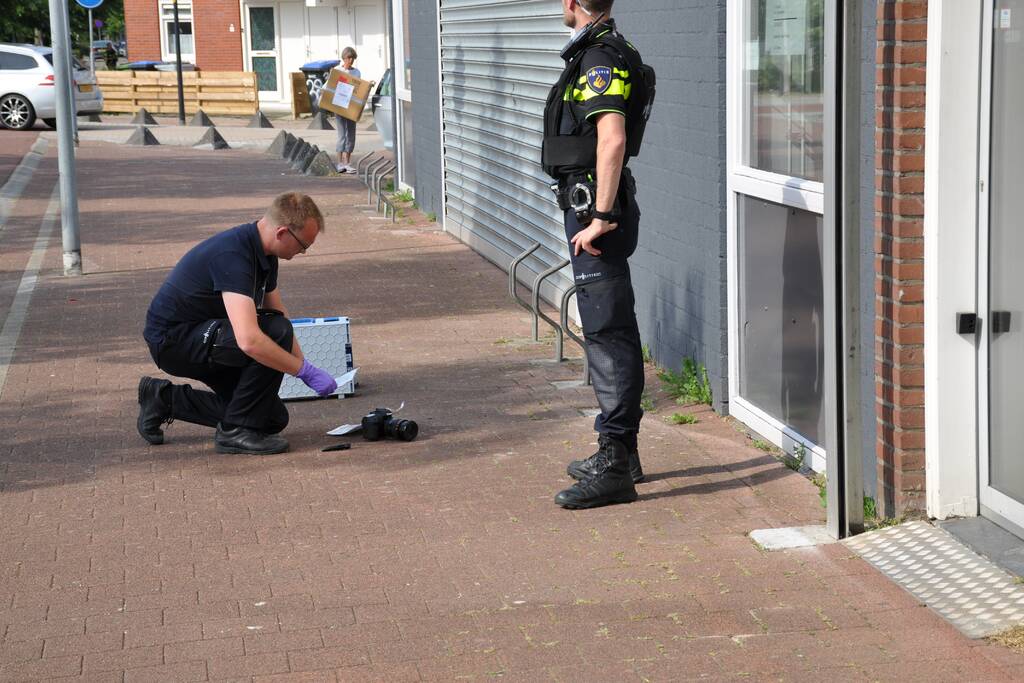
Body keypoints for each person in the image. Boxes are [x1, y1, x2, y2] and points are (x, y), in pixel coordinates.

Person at [542, 0, 654, 508]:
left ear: (573, 3)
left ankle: (615, 465)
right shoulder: (610, 48)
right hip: (594, 207)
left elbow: (611, 140)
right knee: (611, 327)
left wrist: (601, 216)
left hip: (596, 214)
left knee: (607, 332)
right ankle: (624, 454)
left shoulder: (599, 57)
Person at [137, 192, 338, 455]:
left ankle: (163, 399)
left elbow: (278, 312)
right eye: (303, 245)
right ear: (282, 233)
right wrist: (303, 371)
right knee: (273, 333)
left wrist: (304, 363)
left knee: (271, 419)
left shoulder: (265, 254)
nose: (303, 252)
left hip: (207, 336)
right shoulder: (234, 255)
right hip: (174, 341)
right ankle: (235, 433)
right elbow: (249, 340)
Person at [334, 47, 360, 174]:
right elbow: (328, 86)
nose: (350, 61)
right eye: (348, 58)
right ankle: (339, 163)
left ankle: (347, 163)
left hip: (351, 107)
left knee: (351, 135)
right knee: (342, 135)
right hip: (339, 106)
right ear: (344, 58)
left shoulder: (356, 72)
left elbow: (359, 88)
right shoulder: (337, 71)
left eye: (352, 58)